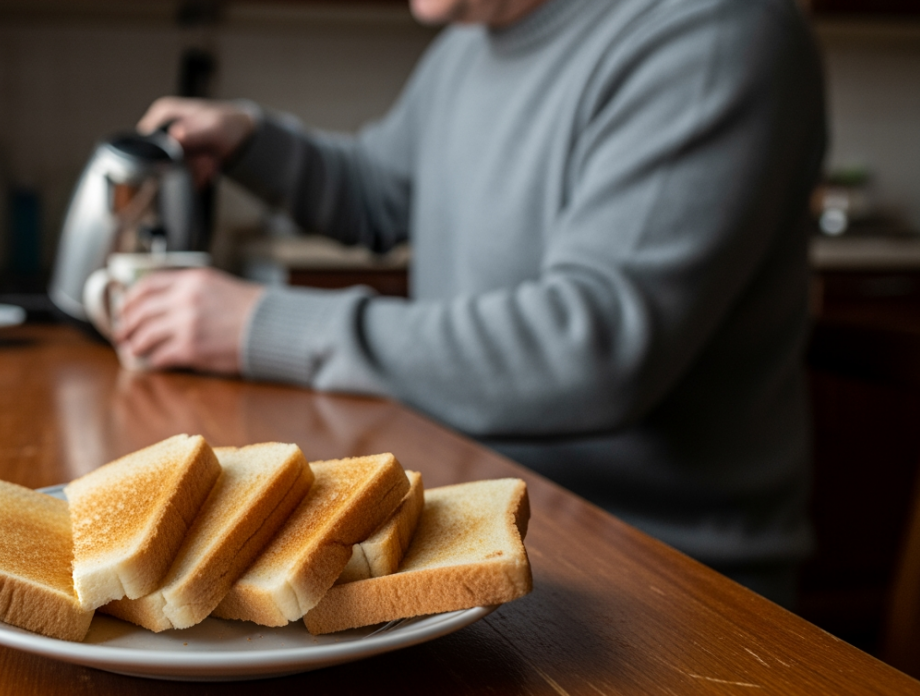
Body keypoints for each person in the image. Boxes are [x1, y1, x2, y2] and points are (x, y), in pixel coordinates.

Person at [113, 0, 827, 606]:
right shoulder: (468, 43)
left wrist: (262, 325)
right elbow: (377, 192)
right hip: (471, 526)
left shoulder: (713, 34)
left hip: (663, 579)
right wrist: (250, 141)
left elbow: (593, 353)